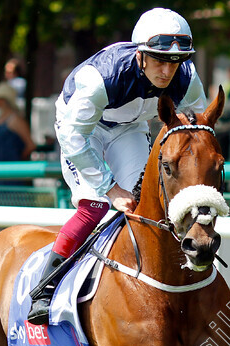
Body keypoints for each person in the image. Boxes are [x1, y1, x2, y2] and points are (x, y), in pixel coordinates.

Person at [27, 7, 207, 324]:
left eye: (175, 61)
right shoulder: (101, 79)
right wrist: (111, 188)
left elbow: (199, 127)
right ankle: (45, 288)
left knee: (147, 203)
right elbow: (74, 136)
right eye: (159, 59)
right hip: (82, 131)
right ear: (140, 56)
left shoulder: (186, 78)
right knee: (95, 205)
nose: (168, 71)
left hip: (129, 129)